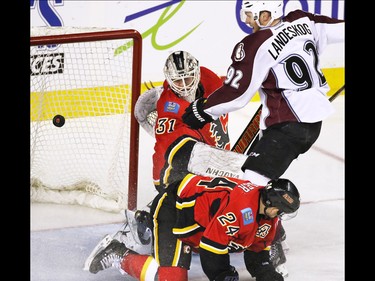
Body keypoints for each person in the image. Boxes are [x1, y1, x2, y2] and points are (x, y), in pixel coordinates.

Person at [181, 0, 344, 276]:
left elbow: (237, 94)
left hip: (287, 127)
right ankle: (260, 237)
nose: (248, 21)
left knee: (249, 188)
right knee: (252, 178)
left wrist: (201, 110)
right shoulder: (302, 20)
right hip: (311, 125)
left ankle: (261, 243)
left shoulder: (257, 43)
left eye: (251, 15)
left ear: (266, 13)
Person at [85, 176, 300, 281]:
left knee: (232, 241)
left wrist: (267, 274)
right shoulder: (241, 210)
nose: (281, 215)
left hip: (201, 222)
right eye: (281, 209)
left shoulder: (268, 216)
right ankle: (118, 253)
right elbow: (211, 248)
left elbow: (257, 254)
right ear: (272, 203)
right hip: (174, 210)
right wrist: (223, 275)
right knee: (172, 279)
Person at [134, 50, 232, 193]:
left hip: (219, 158)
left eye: (187, 78)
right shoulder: (169, 108)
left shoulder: (209, 79)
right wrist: (162, 185)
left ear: (196, 73)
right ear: (169, 79)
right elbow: (162, 150)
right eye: (177, 80)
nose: (184, 85)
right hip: (192, 167)